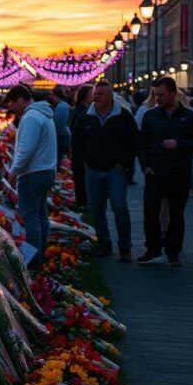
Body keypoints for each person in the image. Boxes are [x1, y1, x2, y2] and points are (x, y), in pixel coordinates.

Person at [136, 77, 193, 266]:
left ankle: (173, 250)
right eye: (155, 94)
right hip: (155, 173)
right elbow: (142, 143)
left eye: (161, 94)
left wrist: (179, 144)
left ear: (173, 94)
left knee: (177, 214)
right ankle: (153, 248)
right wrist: (145, 165)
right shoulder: (150, 116)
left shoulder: (189, 116)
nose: (157, 98)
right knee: (150, 212)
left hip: (179, 173)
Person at [72, 81, 138, 261]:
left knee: (119, 207)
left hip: (115, 171)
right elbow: (76, 141)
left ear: (110, 96)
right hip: (92, 170)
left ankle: (125, 247)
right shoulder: (86, 116)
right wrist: (84, 160)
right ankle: (104, 243)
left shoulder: (123, 116)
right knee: (96, 209)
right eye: (95, 93)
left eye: (101, 94)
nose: (96, 97)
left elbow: (133, 142)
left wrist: (123, 163)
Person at [4, 85, 57, 263]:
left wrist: (13, 171)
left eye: (12, 102)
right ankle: (40, 254)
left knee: (31, 218)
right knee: (41, 215)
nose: (12, 107)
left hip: (32, 173)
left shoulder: (31, 117)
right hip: (46, 170)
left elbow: (26, 150)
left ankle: (34, 261)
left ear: (21, 99)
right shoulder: (43, 114)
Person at [68, 84, 94, 208]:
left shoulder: (82, 109)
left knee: (81, 178)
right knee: (81, 178)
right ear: (85, 96)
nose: (94, 96)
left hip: (80, 151)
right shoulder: (81, 111)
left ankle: (83, 201)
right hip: (80, 152)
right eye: (92, 94)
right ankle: (82, 202)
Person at [49, 86, 71, 163]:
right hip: (62, 134)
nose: (51, 97)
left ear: (56, 95)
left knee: (58, 157)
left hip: (60, 136)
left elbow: (58, 124)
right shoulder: (62, 105)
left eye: (52, 95)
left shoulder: (61, 106)